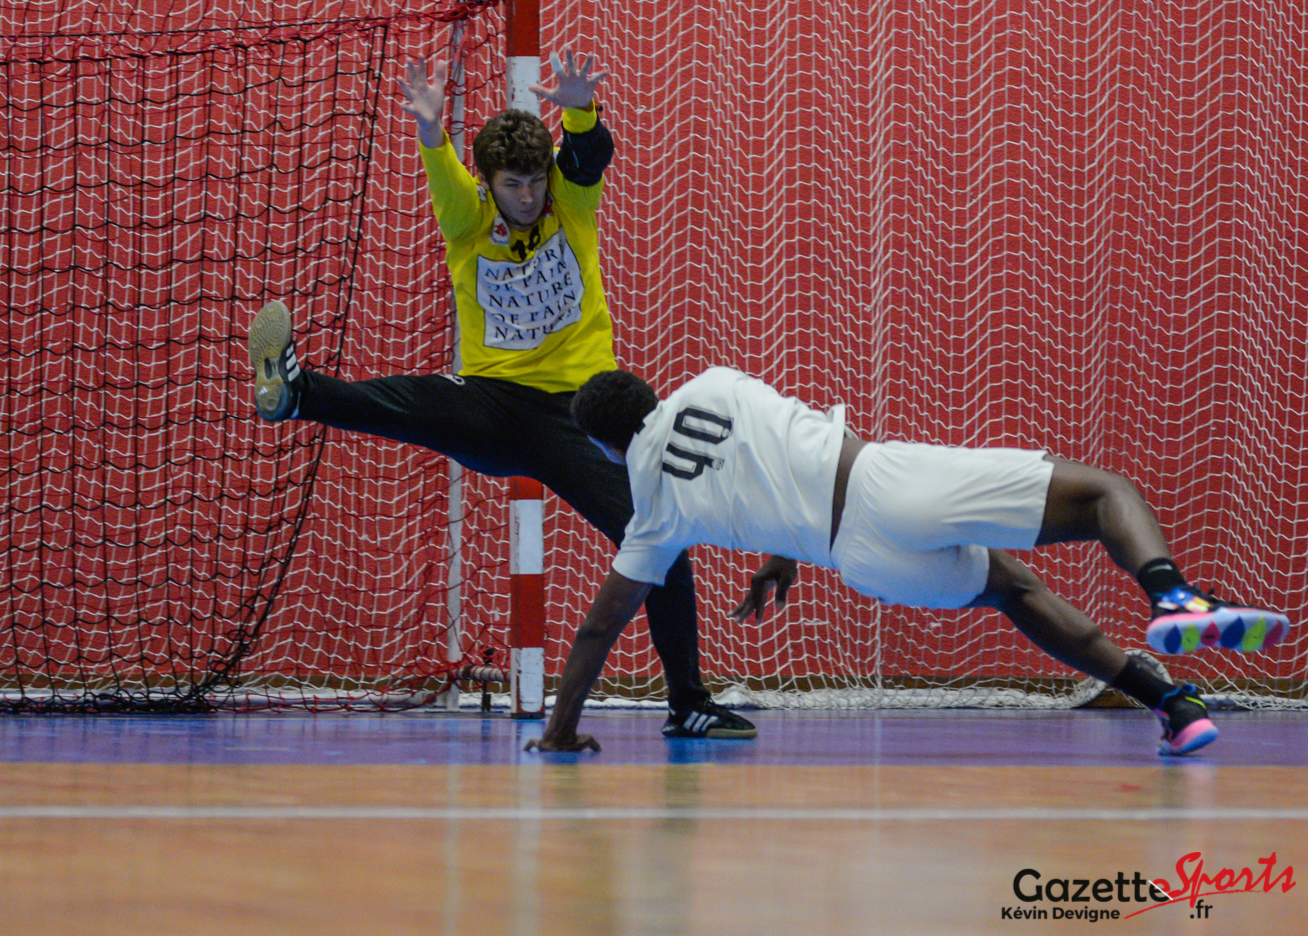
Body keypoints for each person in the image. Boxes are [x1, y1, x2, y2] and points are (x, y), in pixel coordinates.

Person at [247, 50, 754, 738]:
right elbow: (442, 168)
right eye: (513, 184)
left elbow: (591, 156)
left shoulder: (570, 201)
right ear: (486, 182)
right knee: (414, 400)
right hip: (495, 403)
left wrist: (581, 111)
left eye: (535, 182)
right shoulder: (467, 217)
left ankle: (688, 702)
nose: (527, 197)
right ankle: (296, 393)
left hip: (580, 413)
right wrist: (432, 130)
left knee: (660, 538)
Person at [526, 366, 1291, 754]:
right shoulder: (713, 384)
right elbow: (774, 456)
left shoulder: (652, 513)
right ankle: (1172, 595)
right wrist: (781, 551)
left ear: (606, 446)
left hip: (859, 560)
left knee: (1014, 591)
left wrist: (561, 729)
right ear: (650, 395)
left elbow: (598, 629)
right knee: (1103, 494)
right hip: (883, 483)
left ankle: (1173, 707)